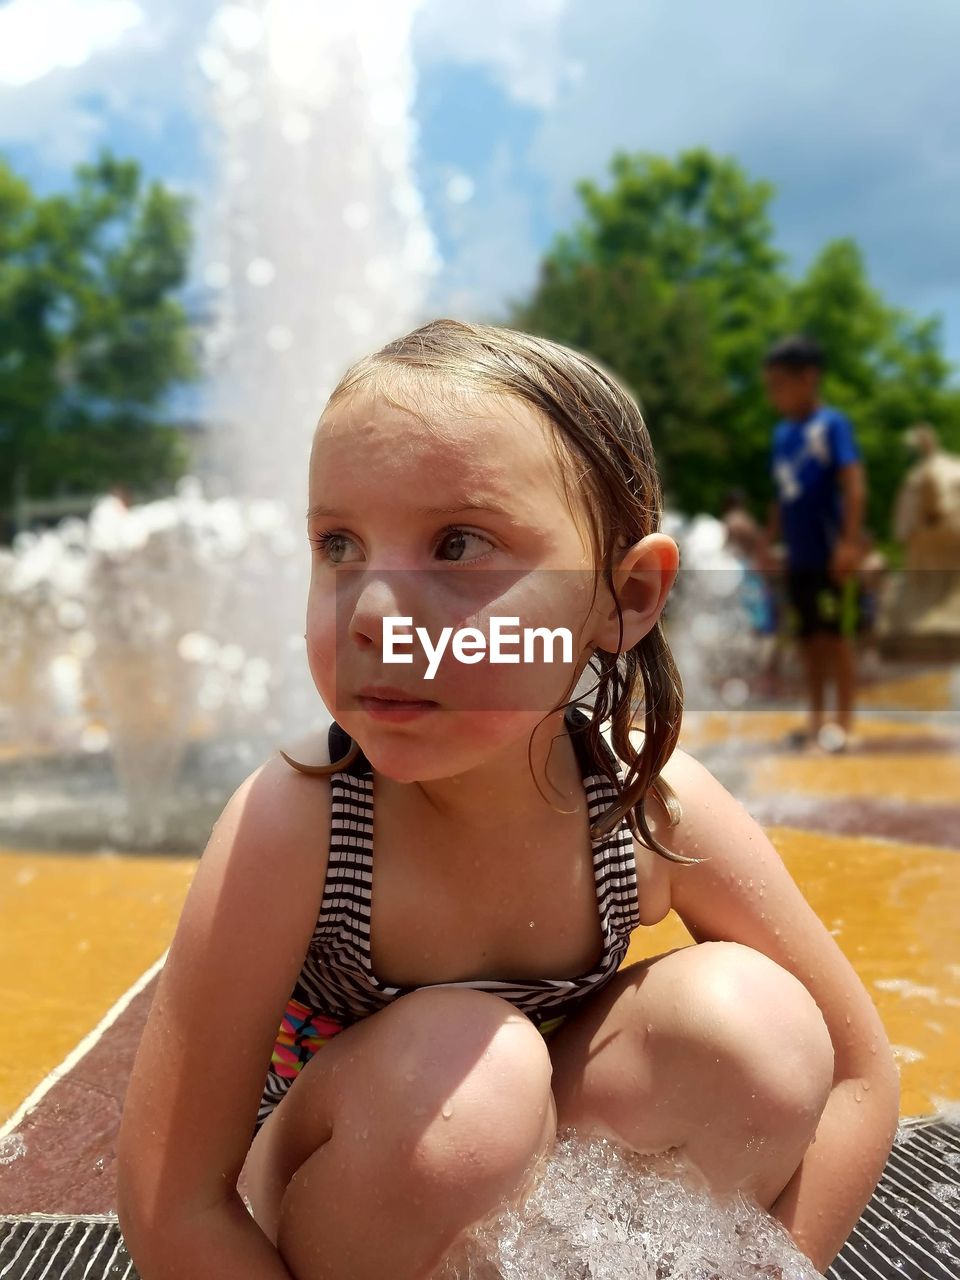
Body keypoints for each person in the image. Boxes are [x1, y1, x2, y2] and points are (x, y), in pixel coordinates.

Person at [117, 320, 897, 1280]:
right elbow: (173, 1203)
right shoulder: (303, 821)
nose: (372, 614)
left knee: (755, 1032)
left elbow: (859, 1077)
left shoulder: (642, 807)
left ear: (625, 597)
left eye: (458, 545)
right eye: (339, 546)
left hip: (517, 1163)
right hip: (334, 1201)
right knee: (474, 1087)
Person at [761, 335, 867, 751]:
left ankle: (843, 725)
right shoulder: (782, 434)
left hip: (828, 551)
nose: (773, 394)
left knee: (834, 638)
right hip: (799, 556)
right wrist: (770, 542)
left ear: (808, 378)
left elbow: (854, 487)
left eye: (779, 384)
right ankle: (816, 720)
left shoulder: (832, 425)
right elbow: (781, 494)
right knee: (807, 641)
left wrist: (848, 544)